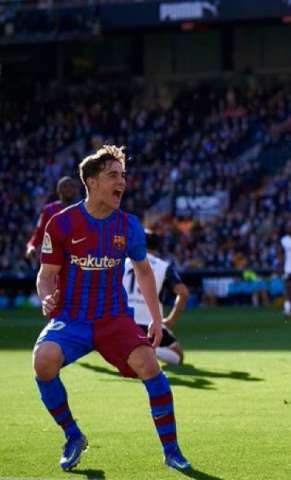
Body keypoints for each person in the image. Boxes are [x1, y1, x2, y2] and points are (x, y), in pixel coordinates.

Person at [33, 145, 191, 471]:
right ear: (91, 182)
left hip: (113, 318)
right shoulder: (61, 224)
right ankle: (73, 435)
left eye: (123, 175)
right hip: (72, 317)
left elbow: (144, 271)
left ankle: (172, 451)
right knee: (43, 361)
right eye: (113, 175)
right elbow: (45, 275)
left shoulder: (129, 225)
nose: (122, 182)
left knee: (150, 365)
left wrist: (158, 320)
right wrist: (47, 296)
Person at [123, 229, 190, 365]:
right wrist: (171, 320)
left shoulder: (123, 263)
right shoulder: (164, 266)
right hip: (150, 323)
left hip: (124, 322)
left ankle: (131, 349)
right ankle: (151, 350)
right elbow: (183, 293)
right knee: (178, 355)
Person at [26, 176, 81, 259]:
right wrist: (31, 246)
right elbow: (39, 233)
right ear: (58, 190)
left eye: (72, 186)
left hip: (77, 258)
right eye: (64, 186)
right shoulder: (48, 210)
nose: (68, 188)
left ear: (76, 190)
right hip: (53, 259)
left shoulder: (83, 210)